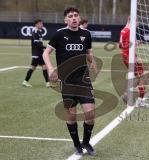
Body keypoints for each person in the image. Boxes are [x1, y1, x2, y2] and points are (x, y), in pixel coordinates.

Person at [42, 7, 98, 155]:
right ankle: (77, 145)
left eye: (76, 16)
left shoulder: (86, 34)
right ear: (65, 20)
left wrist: (92, 61)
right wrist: (50, 69)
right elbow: (46, 53)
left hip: (83, 80)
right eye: (70, 16)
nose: (74, 18)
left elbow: (88, 51)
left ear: (79, 18)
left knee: (91, 114)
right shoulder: (60, 34)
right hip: (67, 81)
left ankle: (86, 142)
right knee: (71, 115)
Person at [118, 16, 146, 107]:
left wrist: (134, 43)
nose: (138, 24)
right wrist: (133, 58)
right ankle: (140, 100)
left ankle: (127, 94)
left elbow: (121, 45)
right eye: (137, 22)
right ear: (132, 21)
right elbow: (127, 45)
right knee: (141, 78)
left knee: (139, 77)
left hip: (126, 56)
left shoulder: (124, 30)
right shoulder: (130, 31)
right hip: (130, 57)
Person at [22, 19, 50, 87]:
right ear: (36, 24)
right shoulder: (35, 32)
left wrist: (44, 49)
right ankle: (25, 81)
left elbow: (40, 44)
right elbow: (37, 44)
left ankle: (47, 83)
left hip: (40, 53)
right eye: (40, 23)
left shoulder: (39, 32)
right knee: (33, 68)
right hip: (36, 54)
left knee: (44, 67)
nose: (42, 25)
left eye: (42, 23)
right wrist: (46, 47)